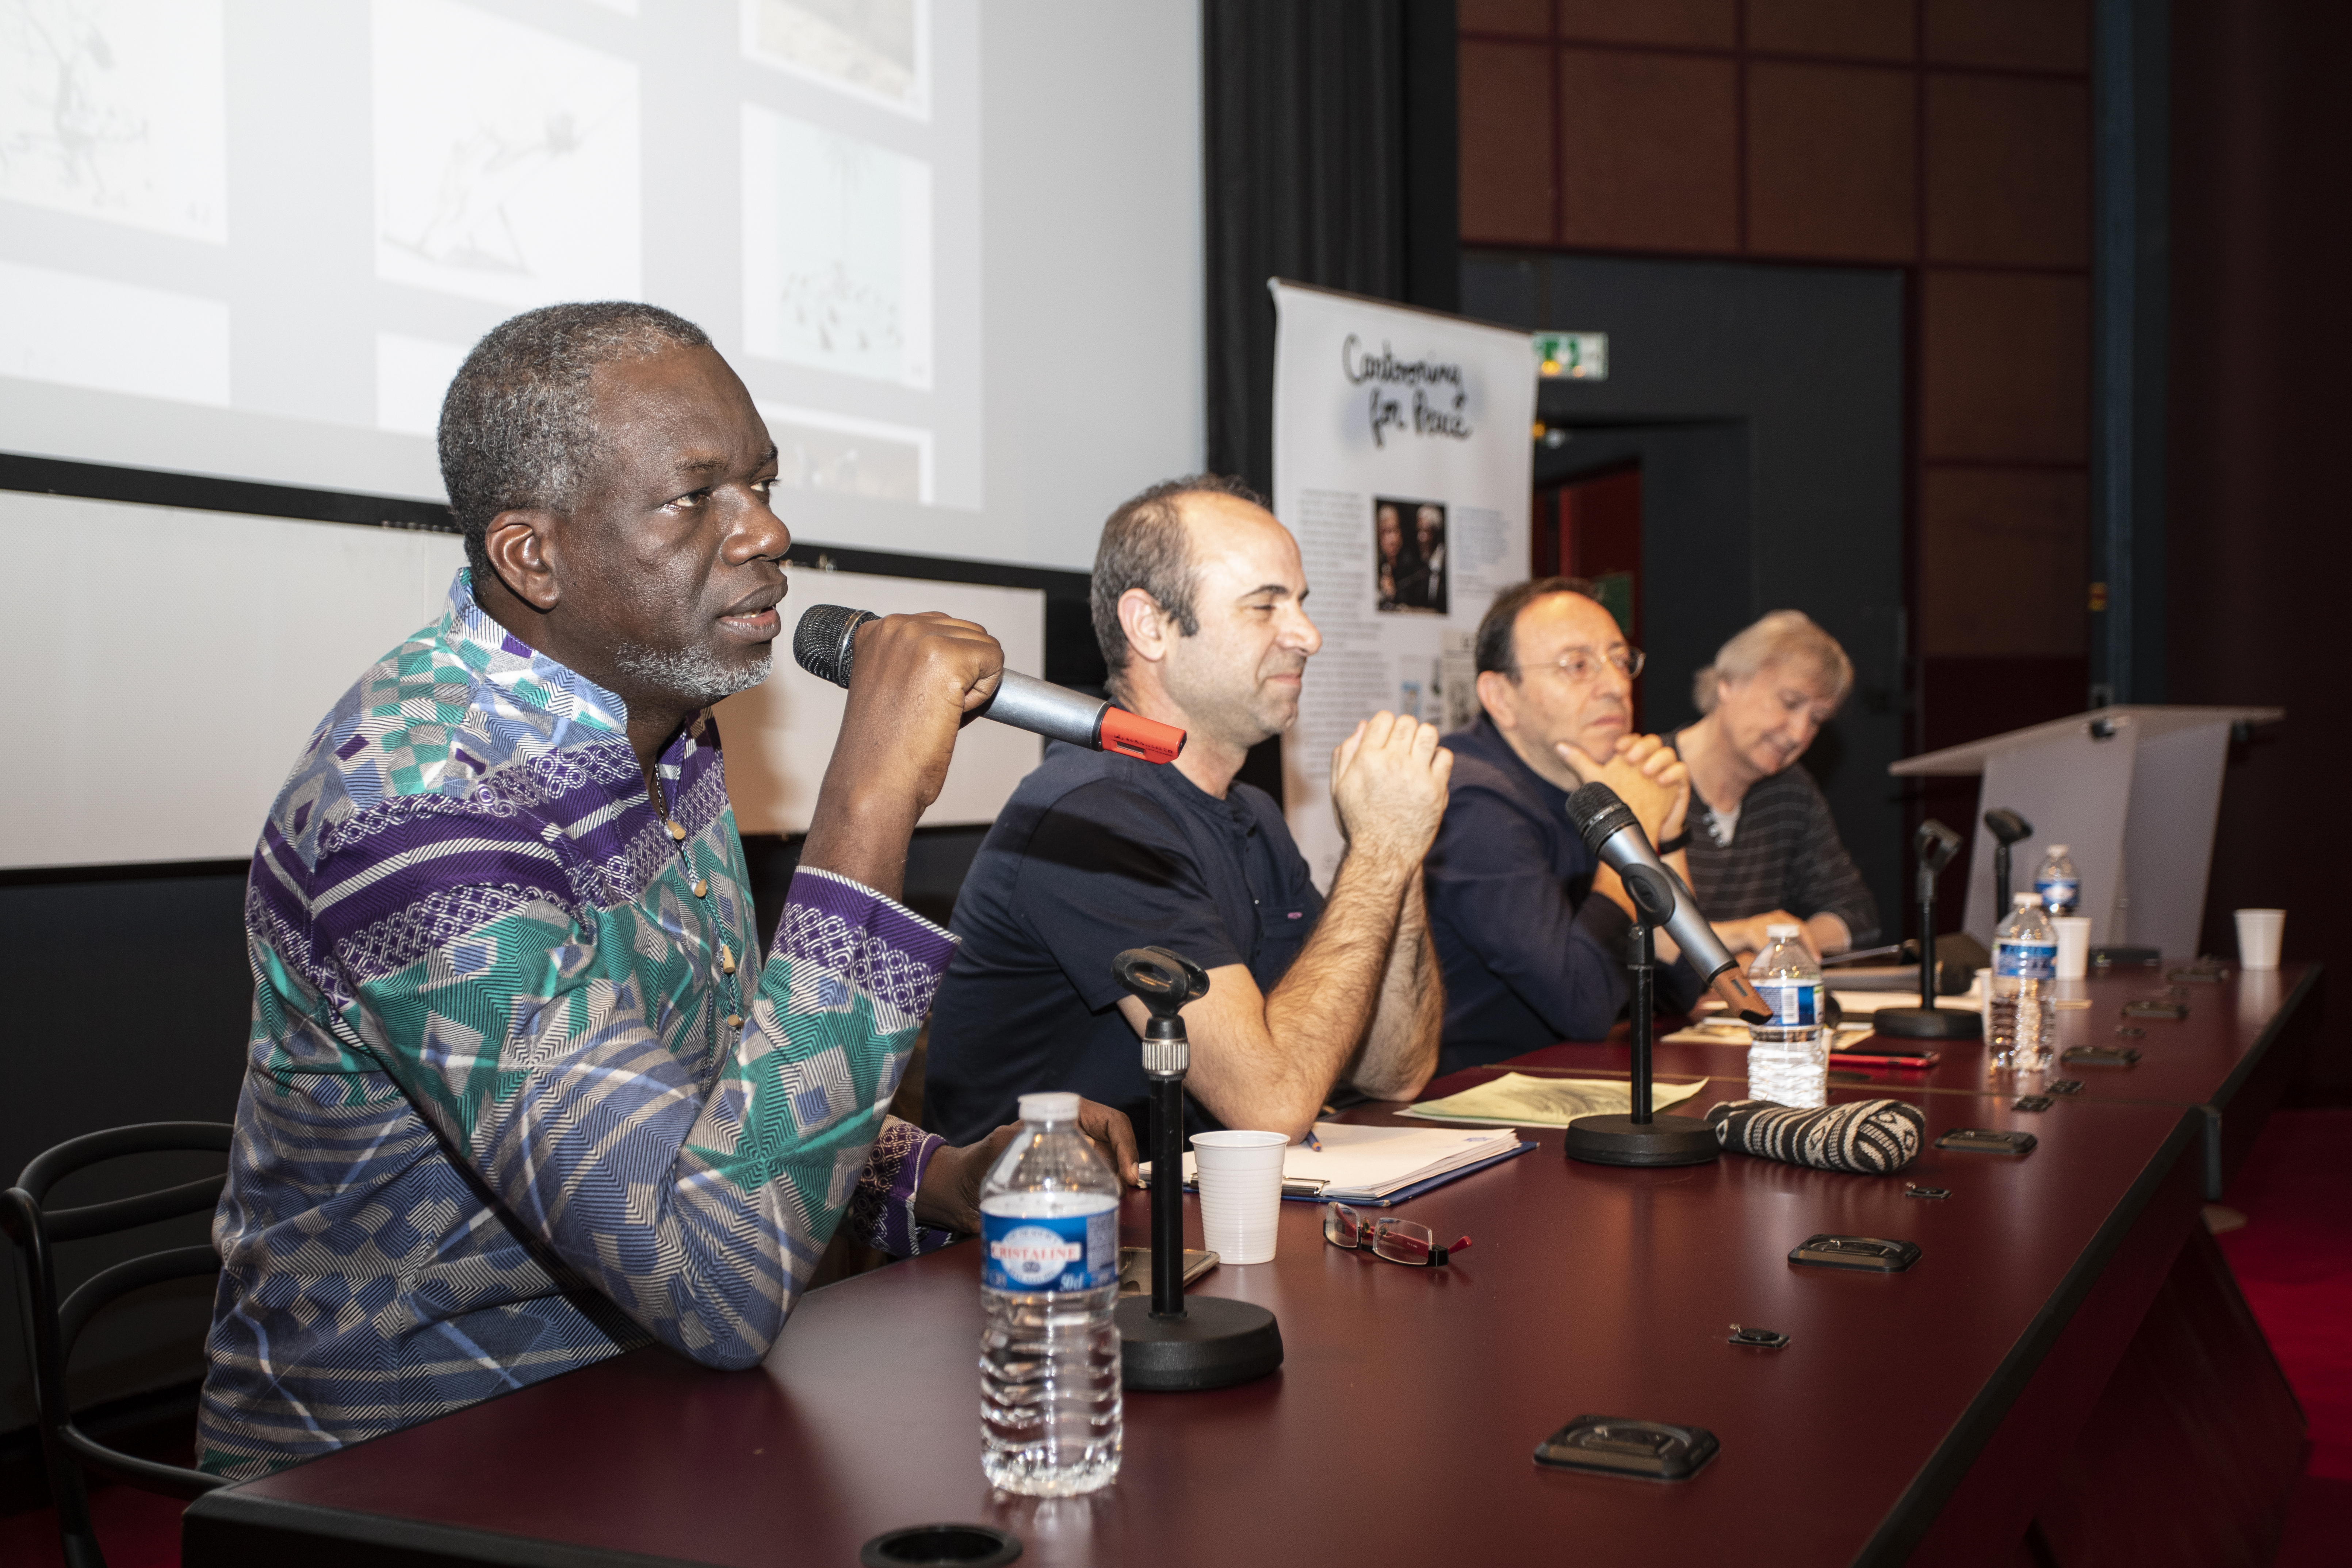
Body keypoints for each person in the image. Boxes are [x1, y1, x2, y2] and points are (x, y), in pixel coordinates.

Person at [197, 303, 1136, 1479]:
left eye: (763, 483)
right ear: (531, 557)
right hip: (393, 1478)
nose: (769, 532)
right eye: (697, 498)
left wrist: (940, 1177)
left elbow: (705, 1109)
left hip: (632, 1417)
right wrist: (867, 803)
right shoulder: (418, 811)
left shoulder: (669, 740)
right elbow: (712, 1275)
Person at [925, 476, 1450, 1145]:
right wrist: (1377, 849)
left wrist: (1399, 851)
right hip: (1049, 1239)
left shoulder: (1252, 813)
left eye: (1301, 603)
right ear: (1151, 626)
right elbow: (1270, 1105)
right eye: (1265, 606)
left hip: (1194, 1227)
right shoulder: (1090, 814)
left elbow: (1392, 1070)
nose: (1309, 635)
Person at [1423, 578, 1703, 1075]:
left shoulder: (1586, 779)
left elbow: (1680, 988)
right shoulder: (1470, 800)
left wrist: (1669, 832)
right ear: (1500, 697)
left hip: (1566, 1082)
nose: (1616, 685)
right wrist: (1629, 836)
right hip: (1464, 1113)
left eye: (1621, 660)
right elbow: (1584, 1003)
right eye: (1577, 666)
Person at [1671, 610, 1878, 960]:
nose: (1799, 733)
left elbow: (1857, 916)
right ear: (1729, 683)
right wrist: (1742, 938)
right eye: (1789, 703)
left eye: (1816, 719)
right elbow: (1633, 936)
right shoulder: (1648, 777)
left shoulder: (1791, 793)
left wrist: (1781, 946)